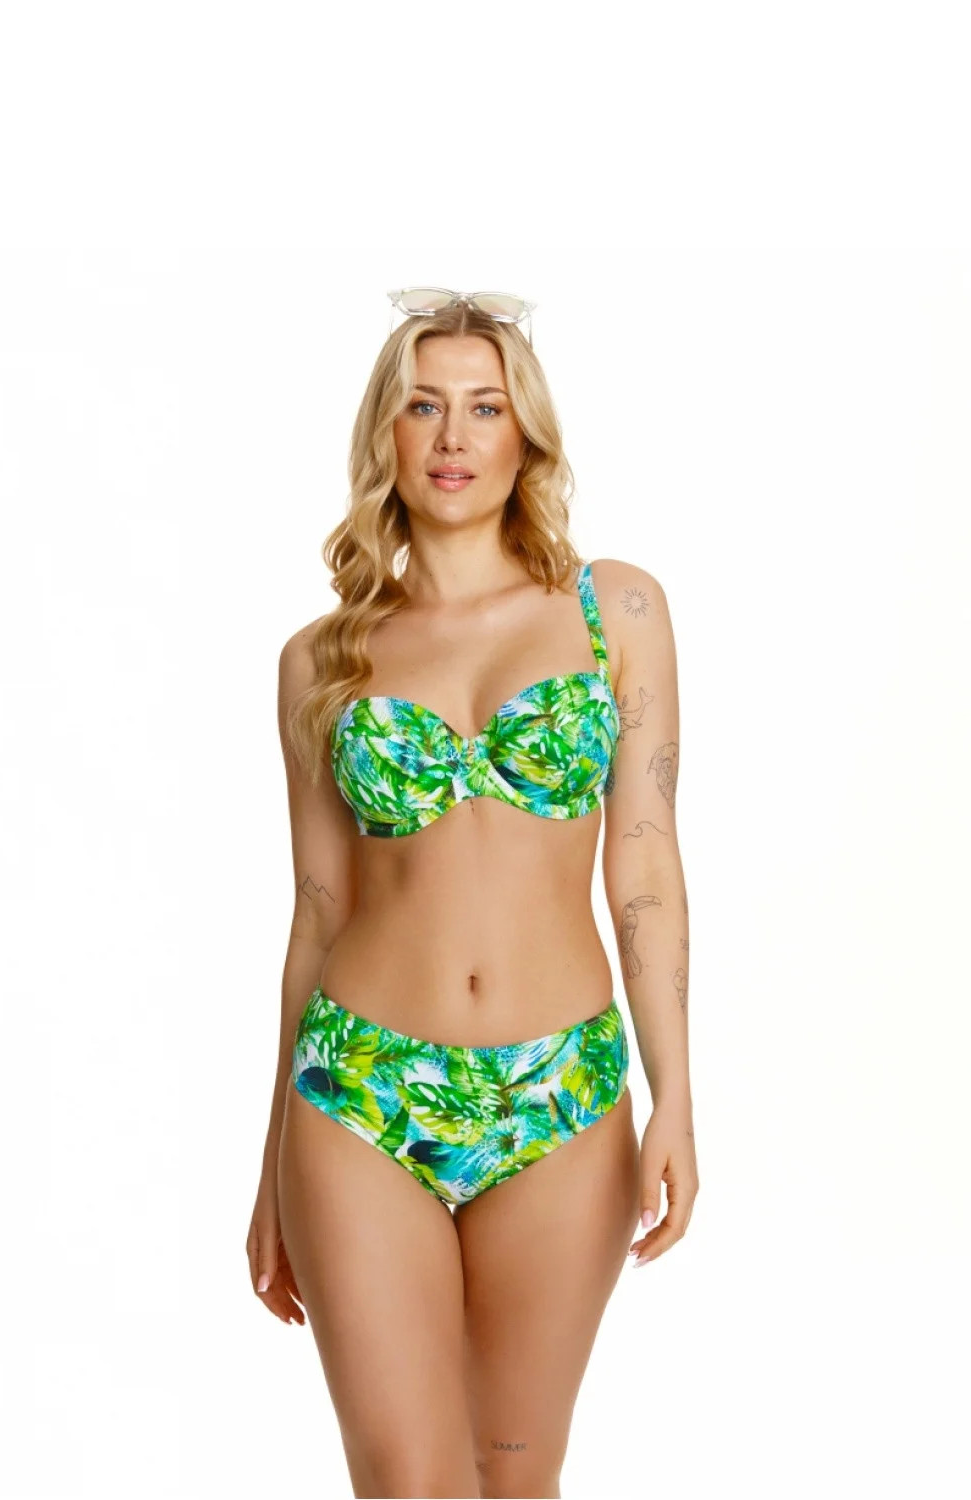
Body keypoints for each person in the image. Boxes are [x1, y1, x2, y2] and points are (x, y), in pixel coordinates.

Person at [246, 289, 698, 1500]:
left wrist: (675, 1094)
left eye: (485, 408)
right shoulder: (321, 660)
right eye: (423, 406)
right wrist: (269, 1166)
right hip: (358, 1093)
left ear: (525, 435)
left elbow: (643, 857)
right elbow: (317, 910)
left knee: (514, 1477)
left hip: (561, 1094)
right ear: (384, 434)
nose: (453, 437)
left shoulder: (615, 610)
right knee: (409, 1481)